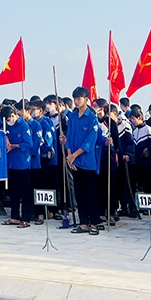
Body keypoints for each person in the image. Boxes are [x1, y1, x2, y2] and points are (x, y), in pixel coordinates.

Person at [65, 87, 101, 235]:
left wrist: (75, 155)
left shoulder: (92, 118)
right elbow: (69, 138)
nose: (76, 101)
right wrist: (69, 156)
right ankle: (83, 222)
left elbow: (89, 142)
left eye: (79, 98)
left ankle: (94, 222)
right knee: (79, 193)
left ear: (86, 99)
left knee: (91, 193)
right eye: (75, 98)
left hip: (87, 162)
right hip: (74, 161)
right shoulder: (72, 117)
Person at [1, 105, 33, 227]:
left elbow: (29, 143)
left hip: (22, 163)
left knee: (24, 193)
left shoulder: (23, 125)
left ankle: (26, 218)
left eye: (9, 119)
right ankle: (14, 217)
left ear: (13, 116)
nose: (8, 122)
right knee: (13, 192)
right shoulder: (5, 126)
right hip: (10, 163)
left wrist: (13, 146)